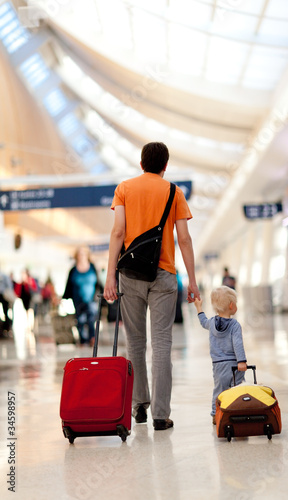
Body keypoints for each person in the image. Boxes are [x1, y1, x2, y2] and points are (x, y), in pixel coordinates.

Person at [104, 141, 200, 431]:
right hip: (164, 275)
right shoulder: (174, 192)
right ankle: (160, 414)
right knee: (161, 345)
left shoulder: (124, 188)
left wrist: (110, 275)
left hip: (130, 274)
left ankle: (139, 407)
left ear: (141, 162)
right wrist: (192, 281)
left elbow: (118, 231)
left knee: (135, 343)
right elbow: (184, 238)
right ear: (165, 165)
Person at [193, 286, 247, 425]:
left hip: (218, 365)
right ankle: (236, 409)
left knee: (219, 389)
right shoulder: (234, 325)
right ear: (231, 305)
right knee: (237, 388)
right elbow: (238, 344)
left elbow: (203, 321)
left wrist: (199, 307)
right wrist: (241, 361)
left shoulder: (211, 323)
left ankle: (215, 414)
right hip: (234, 364)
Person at [63, 246, 98, 346]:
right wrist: (63, 298)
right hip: (77, 299)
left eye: (83, 254)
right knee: (80, 320)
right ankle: (83, 340)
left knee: (91, 319)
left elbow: (98, 283)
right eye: (79, 254)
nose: (81, 256)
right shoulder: (73, 270)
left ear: (87, 255)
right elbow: (68, 284)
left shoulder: (92, 267)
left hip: (91, 299)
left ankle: (92, 338)